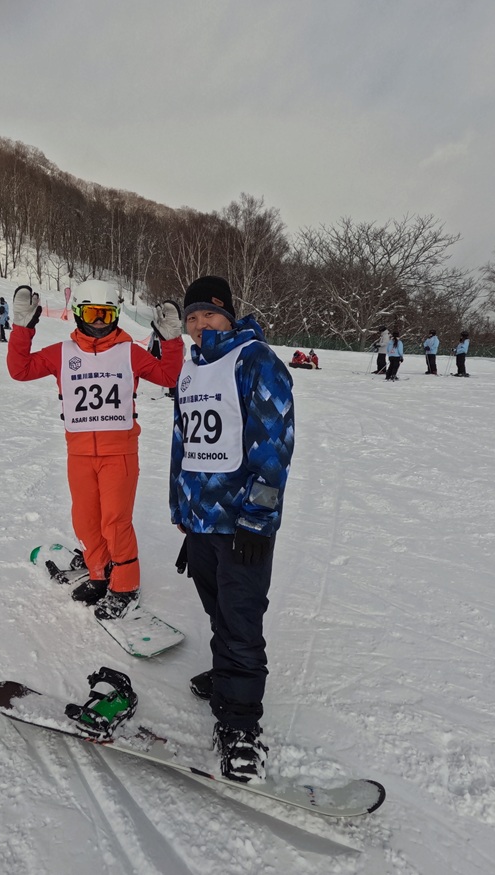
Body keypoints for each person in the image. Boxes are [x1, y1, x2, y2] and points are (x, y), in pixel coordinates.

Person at [171, 275, 295, 783]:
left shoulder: (256, 360)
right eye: (192, 318)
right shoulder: (192, 369)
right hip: (202, 523)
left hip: (243, 524)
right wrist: (184, 515)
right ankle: (227, 678)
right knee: (218, 609)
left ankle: (241, 728)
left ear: (229, 315)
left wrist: (258, 518)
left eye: (209, 315)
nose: (200, 326)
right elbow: (186, 446)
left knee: (241, 623)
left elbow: (274, 446)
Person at [7, 280, 184, 620]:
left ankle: (125, 585)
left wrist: (172, 340)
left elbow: (170, 376)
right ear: (78, 313)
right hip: (79, 454)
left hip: (120, 453)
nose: (100, 321)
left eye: (106, 314)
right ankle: (101, 574)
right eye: (92, 313)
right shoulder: (62, 353)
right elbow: (20, 369)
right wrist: (21, 327)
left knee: (116, 522)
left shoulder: (129, 352)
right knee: (87, 522)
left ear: (115, 314)